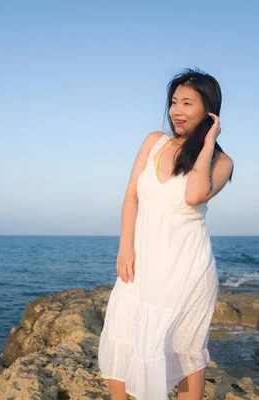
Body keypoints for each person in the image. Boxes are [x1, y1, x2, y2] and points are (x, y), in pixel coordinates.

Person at [98, 69, 234, 400]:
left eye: (188, 103)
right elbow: (131, 195)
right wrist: (125, 247)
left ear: (208, 110)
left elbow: (193, 195)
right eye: (174, 102)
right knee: (123, 335)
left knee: (185, 350)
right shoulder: (154, 141)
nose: (177, 110)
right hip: (141, 264)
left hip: (185, 268)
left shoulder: (221, 161)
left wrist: (208, 141)